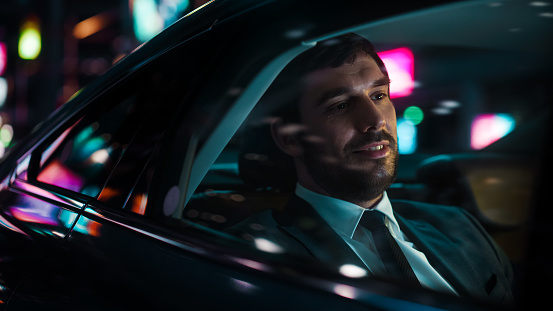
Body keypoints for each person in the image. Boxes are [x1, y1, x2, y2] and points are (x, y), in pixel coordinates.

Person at [230, 33, 515, 303]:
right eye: (340, 105)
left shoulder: (460, 225)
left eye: (379, 96)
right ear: (290, 137)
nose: (376, 120)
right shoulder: (253, 252)